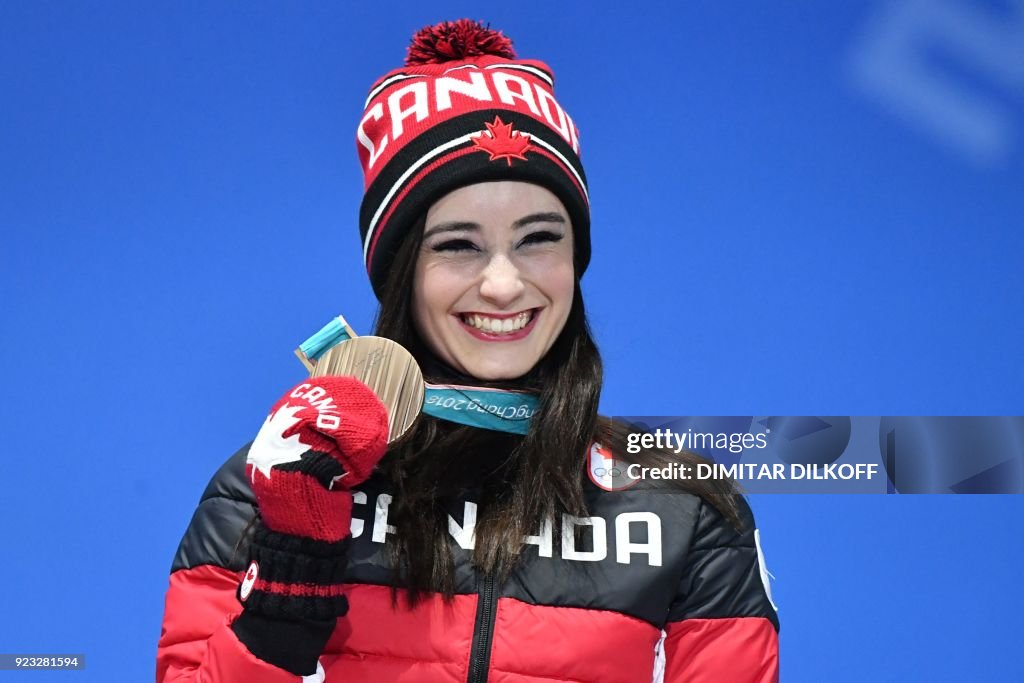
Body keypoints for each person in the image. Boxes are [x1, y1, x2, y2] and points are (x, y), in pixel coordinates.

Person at [156, 19, 780, 683]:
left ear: (577, 259)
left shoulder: (684, 510)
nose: (506, 283)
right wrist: (286, 595)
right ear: (402, 271)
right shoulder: (272, 489)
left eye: (540, 237)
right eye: (458, 245)